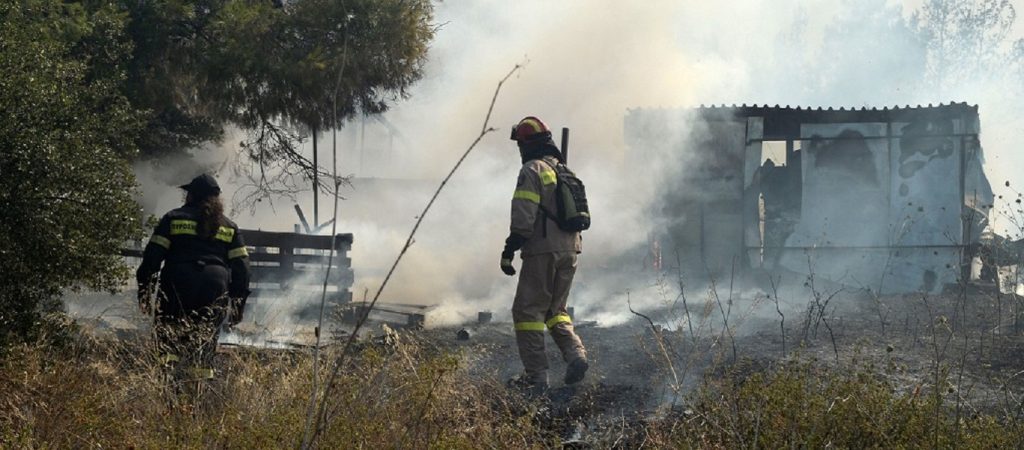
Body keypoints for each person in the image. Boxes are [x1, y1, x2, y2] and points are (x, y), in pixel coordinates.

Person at [501, 116, 588, 393]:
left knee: (527, 312)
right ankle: (575, 354)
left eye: (521, 144)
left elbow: (524, 215)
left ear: (528, 145)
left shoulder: (532, 169)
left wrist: (510, 248)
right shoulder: (564, 169)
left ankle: (537, 378)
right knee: (556, 311)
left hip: (542, 250)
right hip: (571, 249)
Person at [136, 174, 251, 376]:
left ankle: (167, 382)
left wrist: (145, 290)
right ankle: (197, 389)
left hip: (177, 284)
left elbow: (152, 257)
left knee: (168, 339)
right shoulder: (229, 227)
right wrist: (237, 304)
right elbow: (242, 269)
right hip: (215, 288)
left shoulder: (172, 219)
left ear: (191, 196)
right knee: (204, 345)